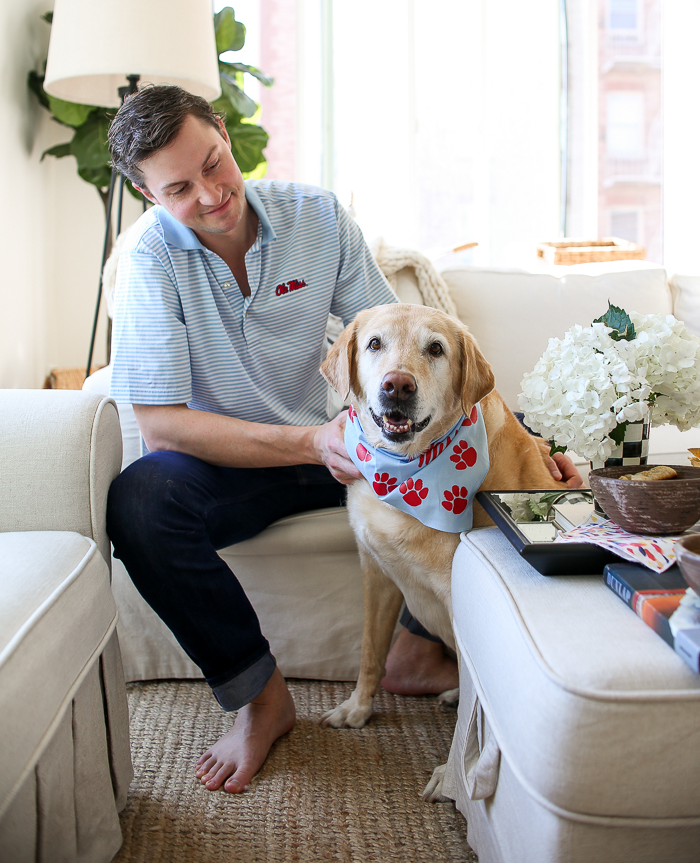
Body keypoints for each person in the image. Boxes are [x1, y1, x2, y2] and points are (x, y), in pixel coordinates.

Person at [106, 84, 582, 796]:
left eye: (215, 162)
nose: (211, 194)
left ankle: (419, 656)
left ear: (225, 133)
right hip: (243, 456)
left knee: (479, 475)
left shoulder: (316, 217)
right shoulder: (149, 266)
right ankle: (261, 700)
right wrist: (311, 444)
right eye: (180, 187)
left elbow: (401, 348)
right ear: (148, 196)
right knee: (139, 503)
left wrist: (535, 441)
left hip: (356, 443)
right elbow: (162, 424)